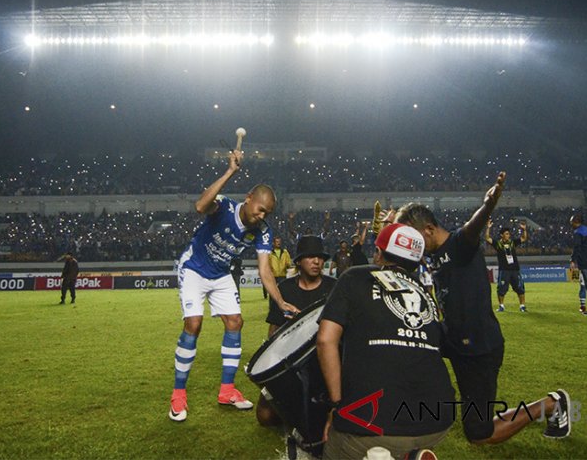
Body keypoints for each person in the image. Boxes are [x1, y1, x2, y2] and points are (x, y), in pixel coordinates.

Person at [395, 172, 572, 445]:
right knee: (403, 339)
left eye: (413, 236)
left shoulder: (459, 245)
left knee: (479, 432)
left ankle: (550, 404)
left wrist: (488, 205)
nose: (412, 244)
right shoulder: (430, 253)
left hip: (478, 348)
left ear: (429, 228)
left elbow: (471, 229)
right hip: (452, 337)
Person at [168, 149, 299, 422]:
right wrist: (230, 172)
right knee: (193, 324)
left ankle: (227, 390)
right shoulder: (225, 207)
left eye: (268, 213)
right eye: (261, 209)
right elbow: (200, 206)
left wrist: (280, 301)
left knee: (235, 322)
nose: (263, 216)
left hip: (220, 274)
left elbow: (265, 270)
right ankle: (178, 394)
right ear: (249, 198)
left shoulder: (263, 231)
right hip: (194, 268)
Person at [317, 224, 455, 459]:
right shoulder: (423, 292)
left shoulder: (354, 276)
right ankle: (410, 455)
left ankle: (395, 454)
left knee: (333, 450)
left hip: (375, 425)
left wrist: (336, 405)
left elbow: (325, 340)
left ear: (379, 253)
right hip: (439, 420)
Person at [256, 235, 337, 427]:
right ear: (299, 261)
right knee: (265, 417)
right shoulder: (283, 289)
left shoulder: (334, 288)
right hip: (291, 363)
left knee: (323, 416)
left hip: (324, 360)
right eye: (310, 257)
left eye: (320, 257)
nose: (317, 262)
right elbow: (274, 329)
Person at [485, 220, 528, 312]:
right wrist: (488, 228)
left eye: (509, 234)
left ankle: (522, 306)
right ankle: (501, 306)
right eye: (506, 234)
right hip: (504, 270)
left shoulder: (512, 243)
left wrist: (524, 229)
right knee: (501, 288)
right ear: (502, 235)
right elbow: (487, 238)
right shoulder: (498, 244)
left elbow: (524, 238)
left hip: (515, 269)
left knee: (520, 287)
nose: (508, 235)